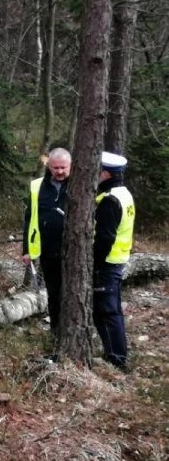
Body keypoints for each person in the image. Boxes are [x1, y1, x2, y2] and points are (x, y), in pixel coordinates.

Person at [22, 147, 71, 336]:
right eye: (55, 167)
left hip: (73, 252)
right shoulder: (37, 187)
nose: (59, 171)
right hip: (48, 251)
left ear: (71, 166)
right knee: (54, 294)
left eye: (63, 168)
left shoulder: (80, 185)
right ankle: (56, 332)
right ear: (49, 166)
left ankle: (75, 330)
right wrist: (26, 249)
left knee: (74, 293)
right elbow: (29, 219)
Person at [93, 151, 135, 369]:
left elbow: (104, 238)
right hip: (117, 260)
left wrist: (93, 263)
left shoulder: (110, 200)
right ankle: (116, 353)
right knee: (112, 309)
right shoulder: (124, 194)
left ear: (106, 173)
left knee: (107, 310)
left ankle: (116, 358)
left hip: (106, 263)